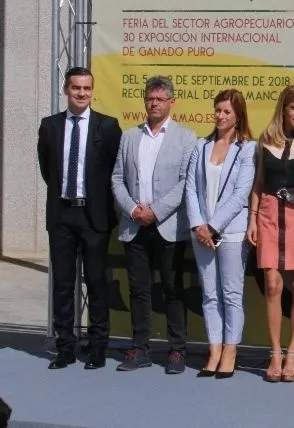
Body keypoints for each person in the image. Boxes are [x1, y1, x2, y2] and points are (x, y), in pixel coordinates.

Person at [111, 75, 197, 374]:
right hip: (134, 225)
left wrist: (155, 211)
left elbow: (186, 183)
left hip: (168, 226)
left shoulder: (186, 138)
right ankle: (141, 349)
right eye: (150, 99)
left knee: (173, 289)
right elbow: (117, 178)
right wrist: (134, 209)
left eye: (160, 99)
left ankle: (177, 350)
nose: (154, 104)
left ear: (172, 102)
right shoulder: (129, 136)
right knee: (138, 290)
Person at [37, 67, 121, 370]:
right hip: (61, 215)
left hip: (94, 216)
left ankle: (98, 347)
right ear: (66, 90)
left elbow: (114, 171)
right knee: (63, 284)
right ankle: (65, 347)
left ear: (93, 91)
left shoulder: (108, 127)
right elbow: (49, 171)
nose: (81, 93)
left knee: (97, 282)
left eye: (86, 88)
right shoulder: (50, 126)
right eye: (76, 88)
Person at [247, 85, 294, 383]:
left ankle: (293, 353)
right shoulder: (265, 140)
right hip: (268, 212)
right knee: (273, 284)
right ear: (284, 109)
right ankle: (275, 353)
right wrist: (252, 218)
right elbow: (259, 181)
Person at [184, 89, 256, 379]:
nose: (221, 116)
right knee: (209, 295)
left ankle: (230, 350)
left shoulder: (247, 148)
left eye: (227, 111)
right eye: (218, 110)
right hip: (201, 232)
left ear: (238, 116)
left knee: (231, 294)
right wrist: (199, 225)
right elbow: (190, 187)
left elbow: (241, 194)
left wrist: (213, 226)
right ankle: (213, 349)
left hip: (231, 232)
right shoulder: (201, 146)